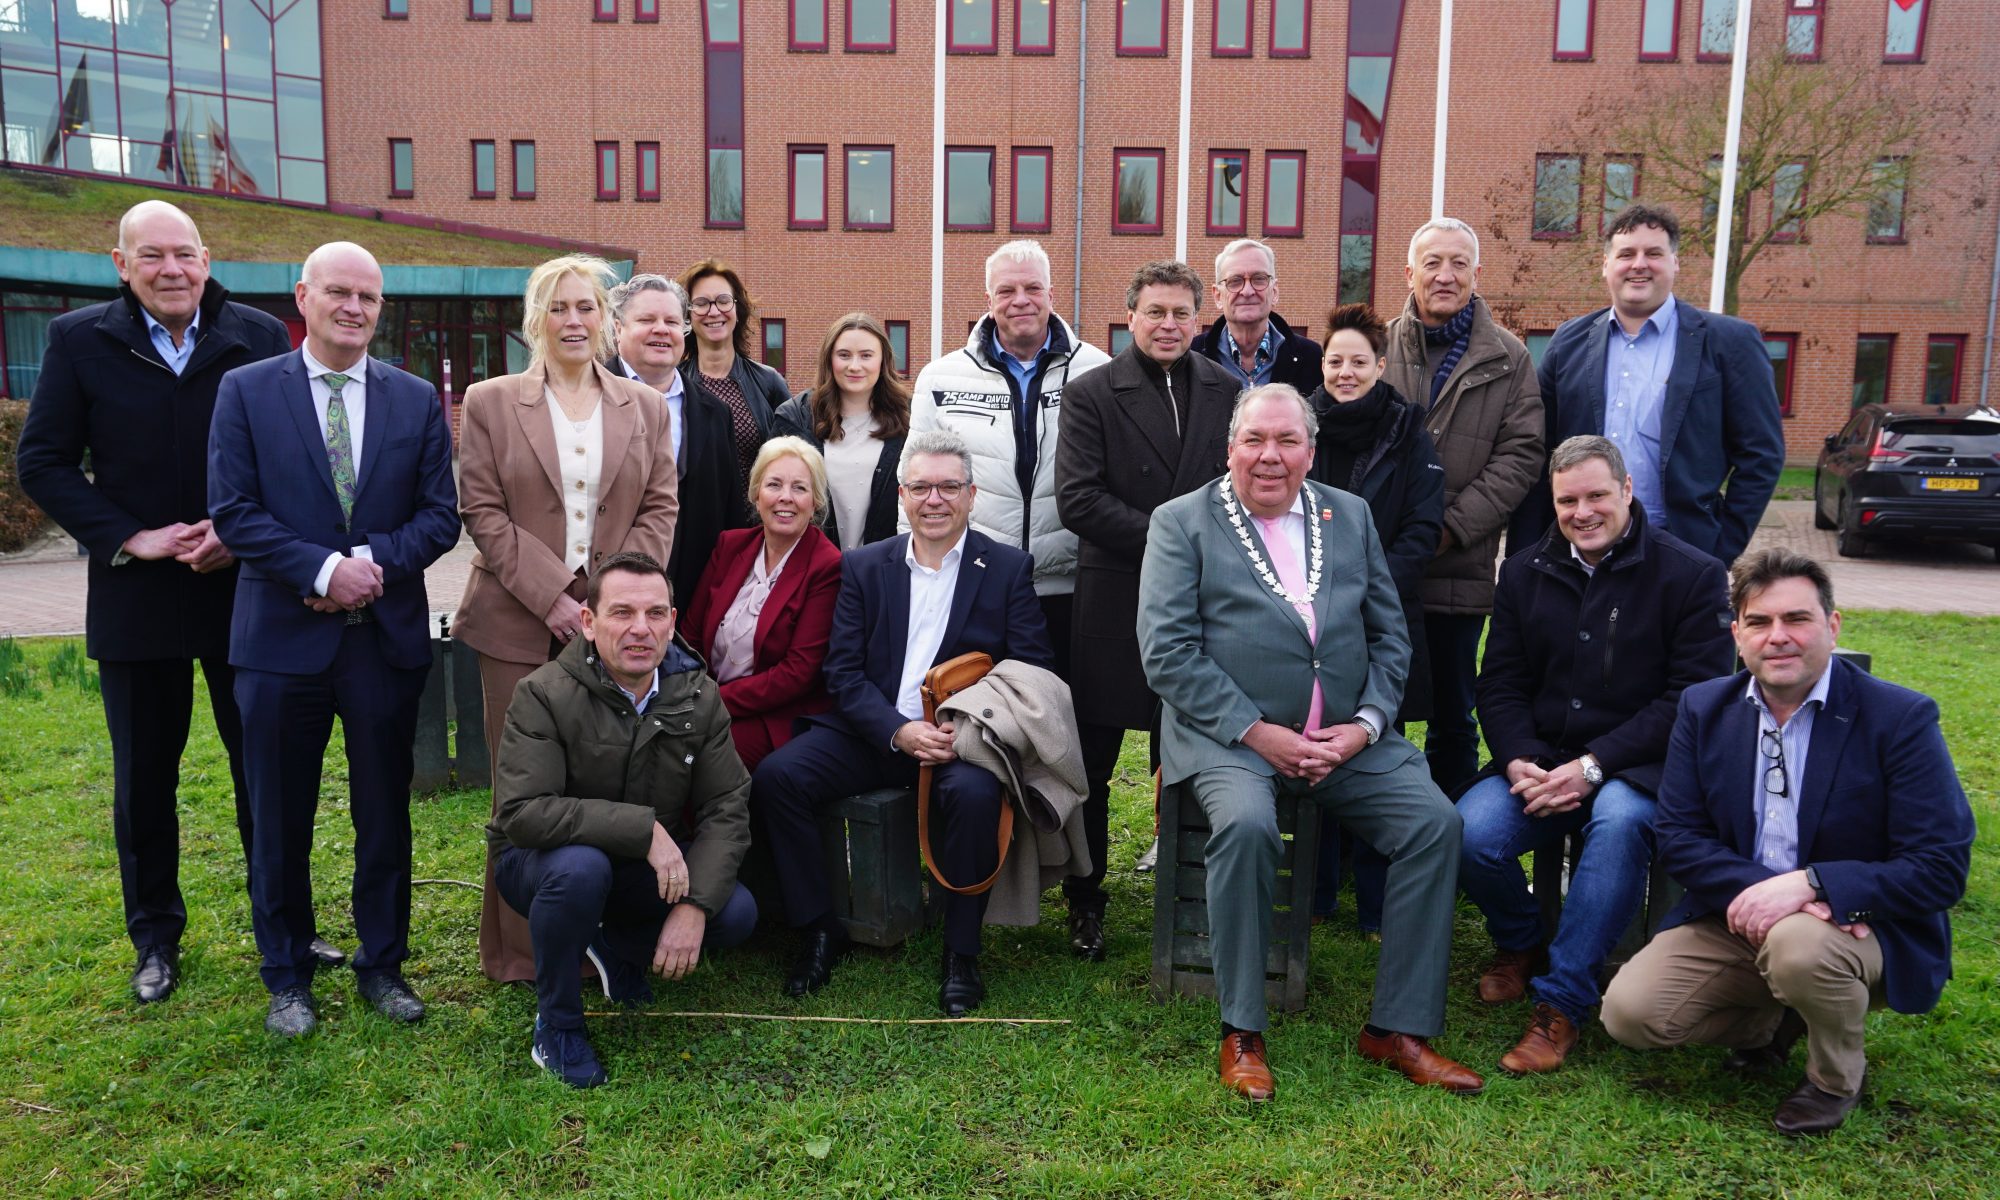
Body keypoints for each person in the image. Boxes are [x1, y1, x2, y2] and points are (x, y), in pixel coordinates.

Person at [1137, 383, 1481, 1102]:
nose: (1270, 456)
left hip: (1344, 738)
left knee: (1433, 824)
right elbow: (1167, 653)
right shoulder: (1182, 522)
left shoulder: (1348, 515)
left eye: (1287, 441)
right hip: (1232, 736)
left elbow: (1391, 634)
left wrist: (1365, 726)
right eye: (1255, 440)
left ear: (1310, 450)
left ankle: (1397, 1028)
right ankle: (1242, 1029)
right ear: (1230, 447)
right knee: (1247, 826)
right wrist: (1258, 731)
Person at [15, 200, 294, 1003]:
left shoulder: (259, 336)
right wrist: (130, 535)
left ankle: (284, 921)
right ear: (120, 263)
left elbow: (287, 453)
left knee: (263, 773)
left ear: (207, 259)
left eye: (186, 254)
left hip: (244, 594)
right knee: (145, 780)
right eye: (153, 257)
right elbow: (45, 462)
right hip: (137, 600)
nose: (172, 270)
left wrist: (243, 534)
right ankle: (156, 939)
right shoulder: (79, 340)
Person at [1602, 551, 1973, 1136]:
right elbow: (1678, 837)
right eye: (1759, 622)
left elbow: (1940, 868)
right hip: (1740, 917)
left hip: (1861, 926)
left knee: (1800, 946)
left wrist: (1811, 886)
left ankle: (1834, 1079)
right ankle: (1781, 1021)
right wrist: (1771, 894)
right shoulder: (1704, 709)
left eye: (1797, 619)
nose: (1778, 637)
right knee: (1632, 1015)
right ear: (1737, 636)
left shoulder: (1899, 718)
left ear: (1833, 625)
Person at [207, 241, 461, 1037]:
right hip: (281, 643)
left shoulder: (415, 399)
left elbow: (439, 515)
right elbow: (235, 511)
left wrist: (362, 564)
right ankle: (285, 974)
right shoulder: (246, 391)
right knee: (278, 813)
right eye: (340, 293)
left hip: (380, 643)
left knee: (384, 812)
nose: (355, 308)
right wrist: (317, 572)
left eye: (370, 297)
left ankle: (382, 964)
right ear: (304, 297)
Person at [749, 429, 1054, 1015]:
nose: (933, 500)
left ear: (971, 494)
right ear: (902, 495)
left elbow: (1031, 670)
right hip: (876, 731)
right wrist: (896, 729)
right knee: (778, 778)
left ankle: (960, 952)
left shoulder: (1008, 567)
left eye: (947, 487)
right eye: (920, 487)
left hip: (956, 741)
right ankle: (818, 928)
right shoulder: (865, 565)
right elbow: (841, 671)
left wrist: (960, 733)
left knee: (974, 795)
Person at [1459, 435, 1732, 1075]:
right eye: (1567, 501)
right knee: (1465, 833)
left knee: (1619, 824)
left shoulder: (1691, 574)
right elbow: (1498, 681)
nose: (1583, 512)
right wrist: (1520, 756)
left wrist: (1594, 765)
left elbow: (1689, 699)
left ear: (1628, 491)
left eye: (1596, 496)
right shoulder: (1525, 570)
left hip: (1639, 766)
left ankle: (1562, 1004)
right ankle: (1522, 942)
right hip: (1542, 757)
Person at [453, 255, 680, 984]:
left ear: (606, 321)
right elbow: (481, 511)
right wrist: (552, 595)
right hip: (516, 621)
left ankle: (606, 935)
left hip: (613, 631)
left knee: (606, 781)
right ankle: (521, 949)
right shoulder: (490, 402)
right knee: (522, 790)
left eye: (586, 307)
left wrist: (614, 603)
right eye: (559, 308)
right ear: (536, 320)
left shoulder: (643, 406)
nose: (574, 321)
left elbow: (659, 505)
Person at [489, 551, 757, 1089]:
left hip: (637, 867)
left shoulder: (698, 696)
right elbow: (523, 812)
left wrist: (695, 905)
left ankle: (614, 946)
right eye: (621, 613)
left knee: (736, 912)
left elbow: (725, 806)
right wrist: (646, 830)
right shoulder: (542, 693)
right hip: (540, 862)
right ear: (588, 623)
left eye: (656, 614)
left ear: (673, 622)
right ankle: (558, 1026)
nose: (640, 629)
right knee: (581, 871)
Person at [1053, 260, 1237, 957]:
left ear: (1198, 319)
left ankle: (1190, 893)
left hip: (1204, 607)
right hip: (1114, 602)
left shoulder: (1229, 389)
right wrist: (1177, 538)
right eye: (1154, 312)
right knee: (1093, 766)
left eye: (1180, 313)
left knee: (1191, 758)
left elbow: (1242, 490)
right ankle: (1085, 897)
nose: (1168, 325)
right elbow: (1078, 499)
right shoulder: (1094, 393)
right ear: (1128, 317)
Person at [1518, 205, 1784, 567]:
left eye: (1653, 253)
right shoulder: (1569, 341)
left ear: (1675, 263)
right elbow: (1537, 449)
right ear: (1606, 265)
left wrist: (1720, 548)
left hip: (1680, 551)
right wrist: (1526, 554)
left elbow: (1762, 454)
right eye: (1626, 254)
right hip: (1581, 552)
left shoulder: (1730, 343)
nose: (1639, 264)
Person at [1383, 217, 1544, 797]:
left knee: (1454, 714)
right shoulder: (1376, 348)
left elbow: (1522, 456)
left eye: (1458, 264)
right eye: (1432, 263)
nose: (1445, 276)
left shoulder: (1510, 358)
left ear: (1477, 274)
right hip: (1381, 569)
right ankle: (1376, 837)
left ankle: (1449, 840)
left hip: (1459, 567)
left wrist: (1449, 528)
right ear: (1410, 273)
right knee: (1379, 709)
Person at [1302, 303, 1445, 932]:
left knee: (1380, 749)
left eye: (1359, 361)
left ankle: (1377, 901)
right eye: (1335, 360)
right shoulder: (1303, 426)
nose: (1346, 371)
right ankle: (1318, 890)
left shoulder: (1409, 429)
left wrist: (1370, 589)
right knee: (1321, 746)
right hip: (1311, 619)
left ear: (1380, 365)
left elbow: (1423, 525)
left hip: (1386, 613)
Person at [907, 240, 1110, 666]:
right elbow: (913, 485)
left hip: (1071, 586)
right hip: (976, 584)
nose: (1021, 300)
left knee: (1066, 722)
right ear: (989, 299)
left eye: (1033, 288)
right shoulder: (941, 377)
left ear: (1051, 295)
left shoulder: (1098, 371)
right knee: (977, 719)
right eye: (1006, 291)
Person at [682, 437, 844, 771]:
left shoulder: (827, 566)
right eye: (774, 485)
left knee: (703, 762)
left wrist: (712, 702)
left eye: (799, 488)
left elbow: (797, 674)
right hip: (704, 701)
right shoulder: (730, 546)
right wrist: (689, 695)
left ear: (814, 502)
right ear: (757, 495)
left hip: (775, 717)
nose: (786, 497)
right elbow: (690, 635)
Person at [608, 273, 743, 606]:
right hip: (606, 600)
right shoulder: (585, 401)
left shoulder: (715, 414)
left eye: (671, 321)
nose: (661, 330)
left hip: (692, 603)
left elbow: (731, 517)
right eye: (646, 319)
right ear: (617, 328)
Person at [771, 312, 911, 550]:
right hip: (814, 569)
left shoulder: (910, 419)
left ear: (882, 360)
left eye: (866, 356)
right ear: (829, 359)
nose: (854, 366)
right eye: (844, 355)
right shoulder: (796, 418)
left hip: (883, 568)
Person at [678, 259, 788, 497]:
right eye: (701, 303)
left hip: (755, 526)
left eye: (723, 301)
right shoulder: (673, 383)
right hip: (695, 524)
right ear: (687, 315)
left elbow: (790, 460)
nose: (714, 311)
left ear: (738, 309)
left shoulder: (769, 383)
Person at [1194, 238, 1321, 395]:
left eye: (1259, 279)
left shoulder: (1312, 358)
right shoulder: (1191, 358)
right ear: (1218, 296)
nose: (1247, 291)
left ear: (1274, 292)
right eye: (1235, 281)